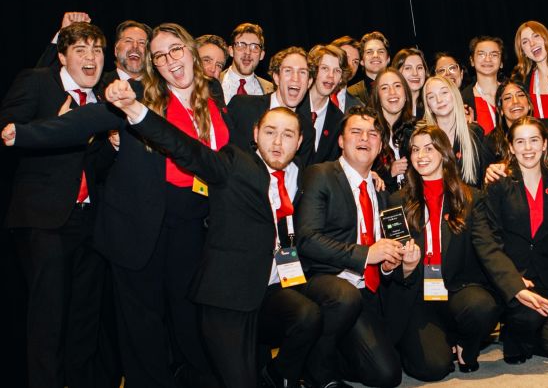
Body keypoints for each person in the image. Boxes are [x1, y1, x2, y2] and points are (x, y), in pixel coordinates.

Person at [5, 23, 228, 387]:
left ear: (191, 51)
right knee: (143, 334)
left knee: (189, 325)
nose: (170, 59)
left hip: (194, 227)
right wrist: (26, 133)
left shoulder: (214, 96)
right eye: (159, 55)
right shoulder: (139, 96)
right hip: (142, 227)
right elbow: (86, 120)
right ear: (154, 65)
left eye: (175, 49)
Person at [103, 81, 323, 388]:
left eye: (288, 135)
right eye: (270, 132)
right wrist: (135, 111)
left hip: (269, 291)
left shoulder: (302, 176)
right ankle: (187, 375)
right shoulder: (234, 164)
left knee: (309, 315)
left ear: (299, 142)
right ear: (255, 134)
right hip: (228, 300)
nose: (277, 142)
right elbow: (186, 149)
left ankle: (276, 375)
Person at [0, 22, 118, 388]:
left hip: (89, 222)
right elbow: (8, 132)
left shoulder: (102, 101)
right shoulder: (37, 82)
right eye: (80, 50)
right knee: (48, 316)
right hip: (43, 220)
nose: (90, 58)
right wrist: (59, 125)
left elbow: (92, 167)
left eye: (97, 50)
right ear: (62, 56)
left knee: (84, 317)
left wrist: (111, 149)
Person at [295, 106, 407, 388]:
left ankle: (331, 351)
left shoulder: (380, 191)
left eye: (372, 134)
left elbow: (382, 252)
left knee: (387, 375)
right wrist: (366, 254)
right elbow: (307, 239)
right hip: (326, 282)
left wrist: (388, 262)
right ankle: (316, 373)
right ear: (342, 141)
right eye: (356, 132)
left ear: (380, 145)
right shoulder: (320, 174)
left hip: (366, 291)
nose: (364, 138)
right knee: (345, 296)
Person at [387, 124, 502, 379]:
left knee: (482, 306)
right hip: (417, 295)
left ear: (444, 153)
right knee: (432, 369)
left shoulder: (471, 197)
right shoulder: (397, 201)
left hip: (456, 289)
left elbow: (489, 249)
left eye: (429, 148)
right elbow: (391, 263)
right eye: (415, 149)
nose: (421, 155)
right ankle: (439, 339)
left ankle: (464, 342)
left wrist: (515, 285)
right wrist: (404, 266)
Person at [481, 116, 548, 364]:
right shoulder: (498, 183)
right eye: (520, 142)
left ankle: (526, 332)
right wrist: (512, 280)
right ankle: (515, 331)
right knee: (525, 325)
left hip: (545, 274)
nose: (528, 148)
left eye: (534, 140)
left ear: (544, 144)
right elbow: (492, 238)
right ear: (511, 147)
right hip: (512, 275)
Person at [226, 47, 315, 167]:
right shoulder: (242, 107)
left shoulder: (307, 130)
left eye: (302, 72)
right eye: (288, 71)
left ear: (309, 82)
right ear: (276, 77)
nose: (296, 78)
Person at [423, 75, 491, 187]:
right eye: (431, 97)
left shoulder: (475, 133)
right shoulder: (423, 139)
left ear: (454, 95)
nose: (439, 100)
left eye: (444, 93)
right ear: (428, 106)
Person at [370, 68, 416, 193]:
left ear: (406, 94)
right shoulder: (369, 132)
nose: (392, 92)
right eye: (384, 88)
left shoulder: (416, 130)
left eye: (397, 86)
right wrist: (390, 173)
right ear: (377, 97)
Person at [302, 44, 349, 165]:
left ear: (341, 78)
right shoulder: (292, 106)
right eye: (324, 68)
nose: (331, 76)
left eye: (337, 71)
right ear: (313, 70)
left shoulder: (339, 120)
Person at [462, 36, 505, 135]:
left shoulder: (513, 94)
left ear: (501, 62)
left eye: (494, 55)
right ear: (472, 61)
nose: (487, 59)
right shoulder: (463, 100)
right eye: (481, 54)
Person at [221, 23, 274, 103]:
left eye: (254, 47)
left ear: (262, 55)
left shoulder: (272, 90)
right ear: (231, 51)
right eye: (241, 45)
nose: (247, 52)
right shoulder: (211, 84)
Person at [347, 31, 391, 104]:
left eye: (381, 51)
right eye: (369, 52)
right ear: (362, 61)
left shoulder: (401, 88)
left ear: (388, 59)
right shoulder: (350, 94)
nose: (375, 55)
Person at [330, 35, 366, 112]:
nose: (350, 65)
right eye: (346, 57)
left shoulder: (360, 109)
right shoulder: (306, 95)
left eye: (355, 62)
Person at [392, 48, 427, 119]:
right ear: (396, 73)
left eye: (419, 68)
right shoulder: (390, 107)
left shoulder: (432, 105)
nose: (415, 73)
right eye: (408, 68)